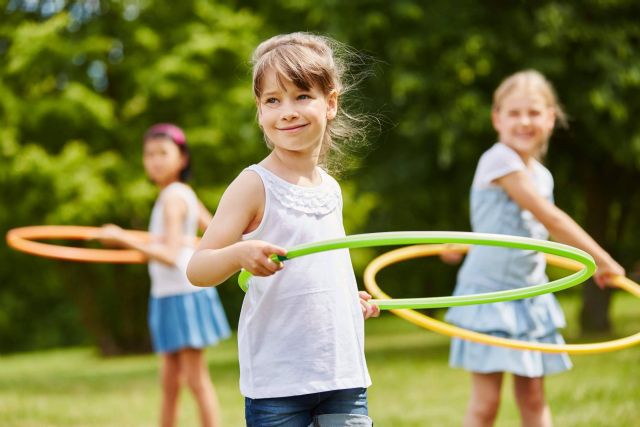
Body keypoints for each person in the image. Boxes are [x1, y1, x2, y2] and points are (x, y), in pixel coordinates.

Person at [187, 32, 379, 427]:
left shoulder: (331, 188)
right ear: (259, 111)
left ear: (331, 103)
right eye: (273, 100)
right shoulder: (253, 184)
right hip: (279, 382)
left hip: (341, 371)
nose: (286, 111)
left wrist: (346, 299)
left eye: (301, 96)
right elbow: (198, 267)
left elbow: (324, 264)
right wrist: (240, 254)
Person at [443, 70, 625, 427]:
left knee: (533, 397)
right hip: (489, 296)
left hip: (529, 297)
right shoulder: (499, 160)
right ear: (497, 118)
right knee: (486, 403)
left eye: (534, 112)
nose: (524, 122)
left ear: (550, 119)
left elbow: (520, 231)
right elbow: (550, 219)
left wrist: (466, 243)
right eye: (513, 113)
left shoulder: (542, 175)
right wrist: (603, 262)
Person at [101, 123, 231, 427]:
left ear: (182, 158)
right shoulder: (183, 193)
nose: (155, 160)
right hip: (168, 295)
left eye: (163, 153)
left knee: (196, 380)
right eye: (149, 154)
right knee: (171, 383)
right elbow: (215, 230)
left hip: (182, 294)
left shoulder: (173, 198)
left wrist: (123, 238)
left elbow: (171, 257)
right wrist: (182, 240)